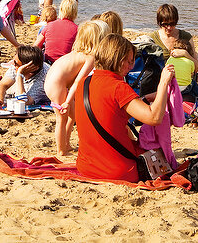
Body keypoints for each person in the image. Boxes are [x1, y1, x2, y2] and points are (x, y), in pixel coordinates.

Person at [72, 34, 175, 182]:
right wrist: (163, 82)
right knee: (160, 151)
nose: (131, 66)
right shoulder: (118, 87)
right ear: (117, 60)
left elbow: (111, 112)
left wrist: (145, 99)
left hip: (86, 166)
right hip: (118, 170)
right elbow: (154, 118)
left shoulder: (84, 83)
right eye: (128, 61)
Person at [45, 19, 108, 154]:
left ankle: (66, 144)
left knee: (73, 116)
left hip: (53, 80)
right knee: (61, 117)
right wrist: (67, 102)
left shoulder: (78, 52)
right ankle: (61, 150)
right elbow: (78, 82)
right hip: (57, 84)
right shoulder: (90, 57)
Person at [34, 0, 78, 64]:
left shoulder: (49, 25)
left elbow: (36, 46)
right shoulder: (77, 29)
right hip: (65, 64)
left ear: (61, 10)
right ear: (75, 12)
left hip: (49, 62)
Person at [166, 37, 198, 102]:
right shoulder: (190, 61)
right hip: (185, 88)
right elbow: (192, 73)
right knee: (192, 82)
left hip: (172, 87)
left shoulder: (170, 59)